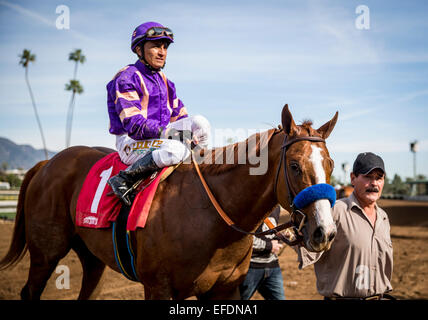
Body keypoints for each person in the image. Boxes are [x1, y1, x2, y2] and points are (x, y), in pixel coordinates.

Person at [106, 21, 210, 205]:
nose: (162, 52)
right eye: (155, 46)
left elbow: (181, 118)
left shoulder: (166, 82)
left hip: (160, 138)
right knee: (176, 148)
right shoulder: (126, 77)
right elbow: (135, 126)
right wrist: (175, 135)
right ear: (139, 49)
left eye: (165, 47)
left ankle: (200, 170)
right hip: (131, 143)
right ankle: (124, 179)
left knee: (200, 123)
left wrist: (190, 136)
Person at [296, 152, 394, 300]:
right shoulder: (335, 211)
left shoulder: (384, 218)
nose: (374, 183)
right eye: (368, 177)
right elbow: (310, 247)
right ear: (353, 178)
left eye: (379, 178)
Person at [239, 206, 286, 300]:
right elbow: (243, 237)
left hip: (273, 267)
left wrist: (282, 237)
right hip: (251, 268)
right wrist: (269, 246)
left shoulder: (276, 208)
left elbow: (270, 235)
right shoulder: (251, 206)